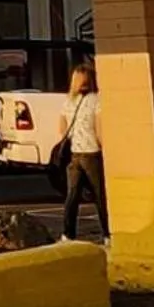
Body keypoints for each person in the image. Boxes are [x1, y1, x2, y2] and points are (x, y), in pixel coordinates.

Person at [59, 61, 109, 241]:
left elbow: (62, 130)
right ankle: (108, 234)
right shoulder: (96, 99)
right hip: (92, 152)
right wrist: (104, 147)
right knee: (100, 195)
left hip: (75, 154)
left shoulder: (68, 101)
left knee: (72, 196)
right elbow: (99, 128)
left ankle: (68, 233)